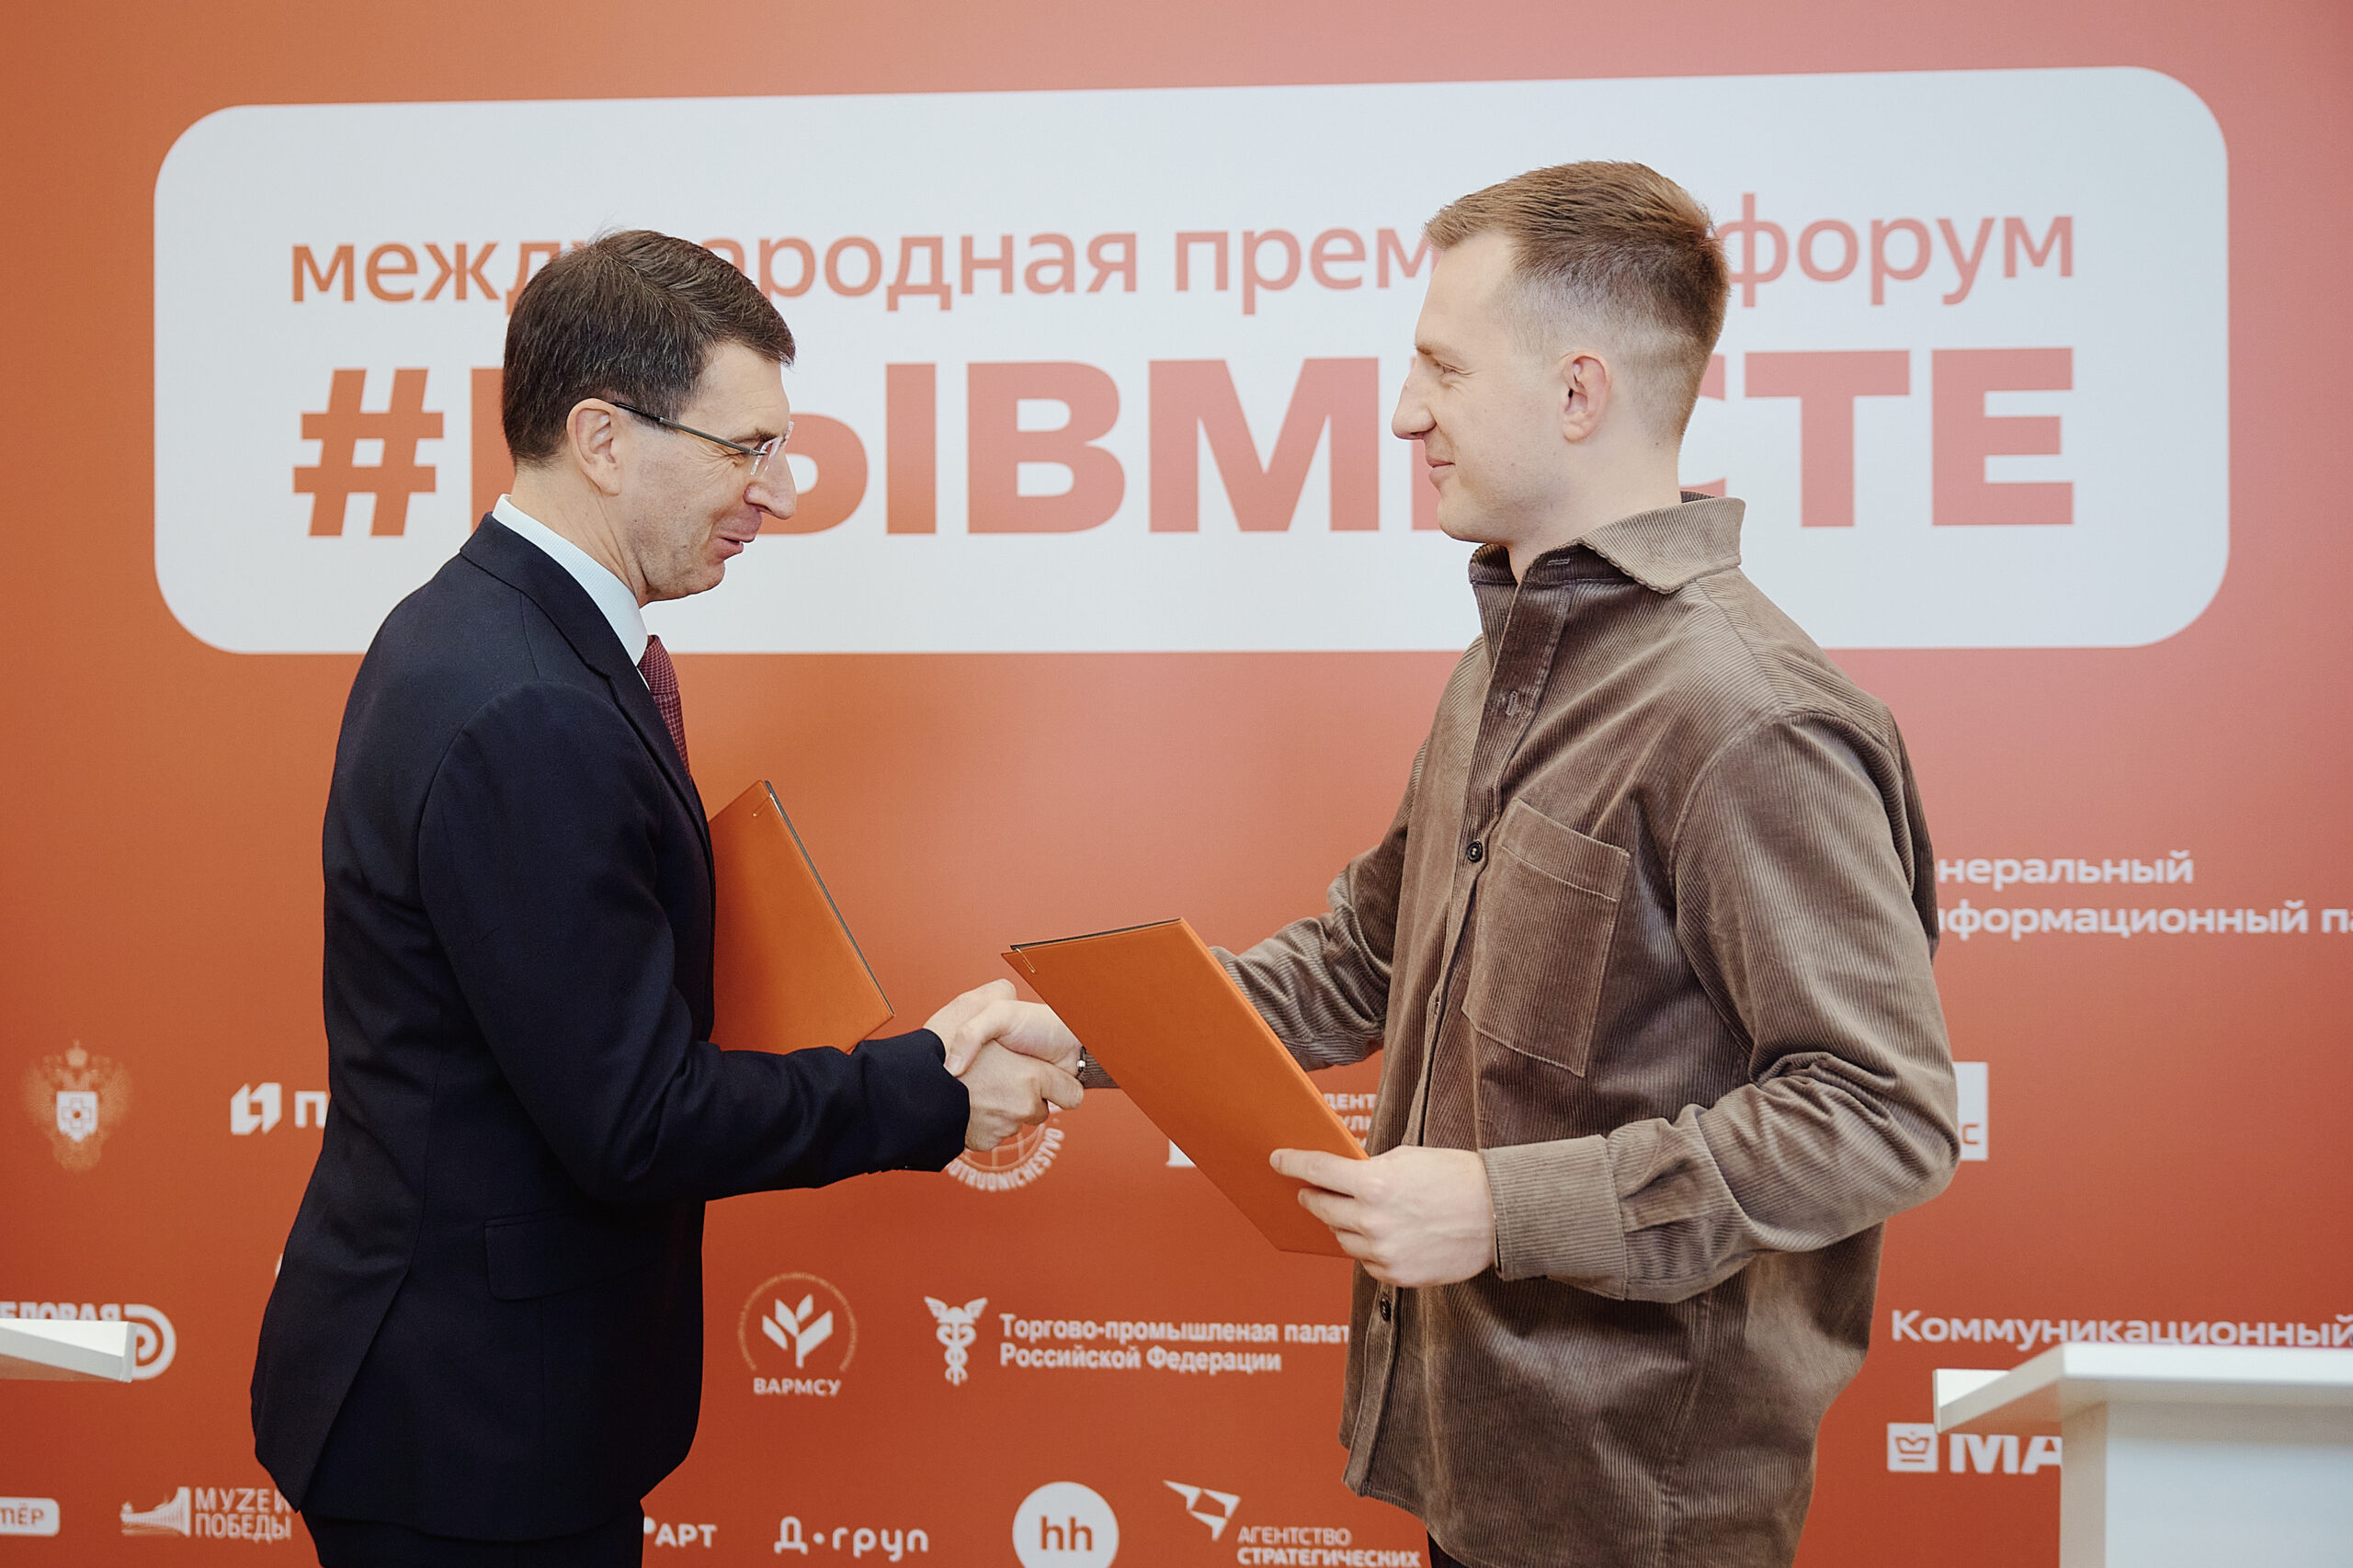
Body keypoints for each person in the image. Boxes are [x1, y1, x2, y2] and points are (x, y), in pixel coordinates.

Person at [953, 165, 1958, 1568]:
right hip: (1478, 1476)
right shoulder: (1506, 667)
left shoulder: (1748, 714)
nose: (1403, 412)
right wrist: (1084, 1032)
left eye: (1441, 367)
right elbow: (1364, 959)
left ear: (1578, 392)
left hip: (1641, 1519)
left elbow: (1881, 1111)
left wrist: (1498, 1206)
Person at [250, 230, 1077, 1567]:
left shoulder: (494, 629)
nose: (781, 495)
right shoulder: (527, 702)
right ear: (603, 438)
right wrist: (928, 1088)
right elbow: (633, 1121)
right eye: (749, 449)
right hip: (470, 1437)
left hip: (481, 1398)